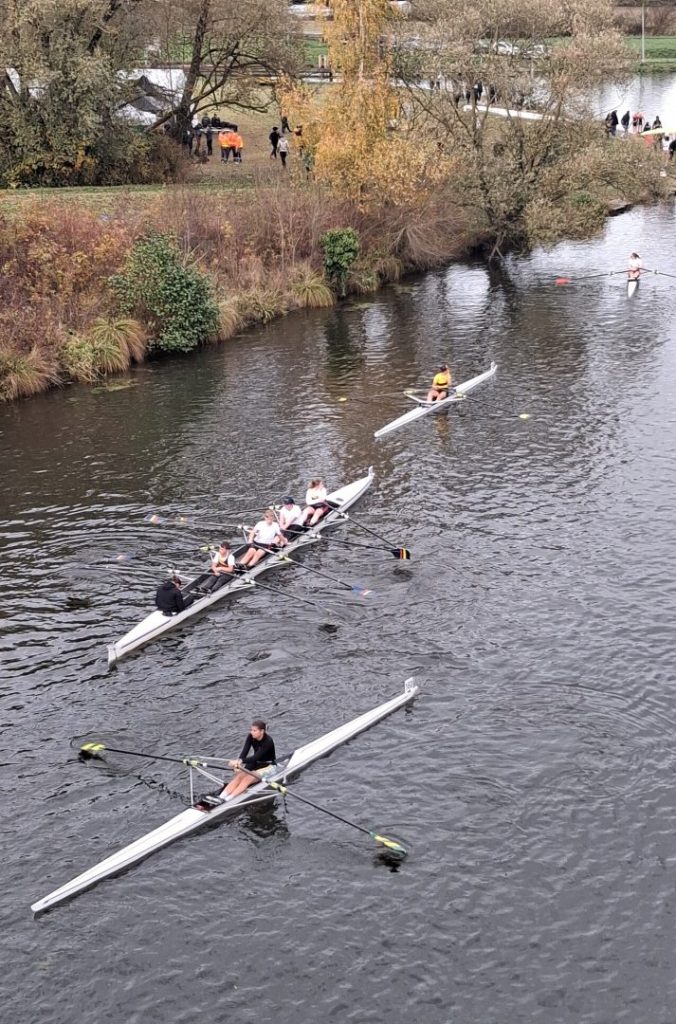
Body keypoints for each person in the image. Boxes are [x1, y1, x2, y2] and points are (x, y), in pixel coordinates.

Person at [220, 720, 277, 799]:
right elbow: (245, 752)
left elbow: (256, 757)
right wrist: (238, 762)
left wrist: (240, 761)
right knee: (239, 776)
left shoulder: (268, 741)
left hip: (268, 766)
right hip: (255, 763)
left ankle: (228, 799)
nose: (251, 732)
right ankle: (221, 797)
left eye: (254, 730)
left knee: (247, 778)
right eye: (251, 730)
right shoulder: (250, 736)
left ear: (262, 731)